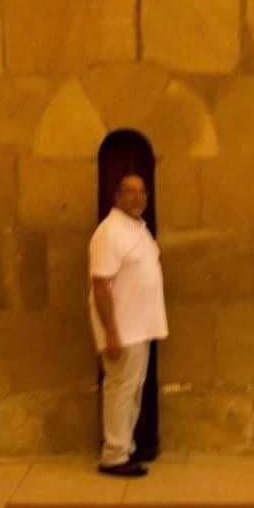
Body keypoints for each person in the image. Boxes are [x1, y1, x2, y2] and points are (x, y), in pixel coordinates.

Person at [88, 173, 168, 477]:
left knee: (132, 390)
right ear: (116, 196)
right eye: (130, 192)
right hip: (121, 328)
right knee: (120, 390)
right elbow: (101, 285)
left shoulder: (137, 229)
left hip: (140, 326)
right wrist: (110, 331)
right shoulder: (108, 232)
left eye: (142, 192)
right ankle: (114, 455)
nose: (138, 198)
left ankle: (126, 446)